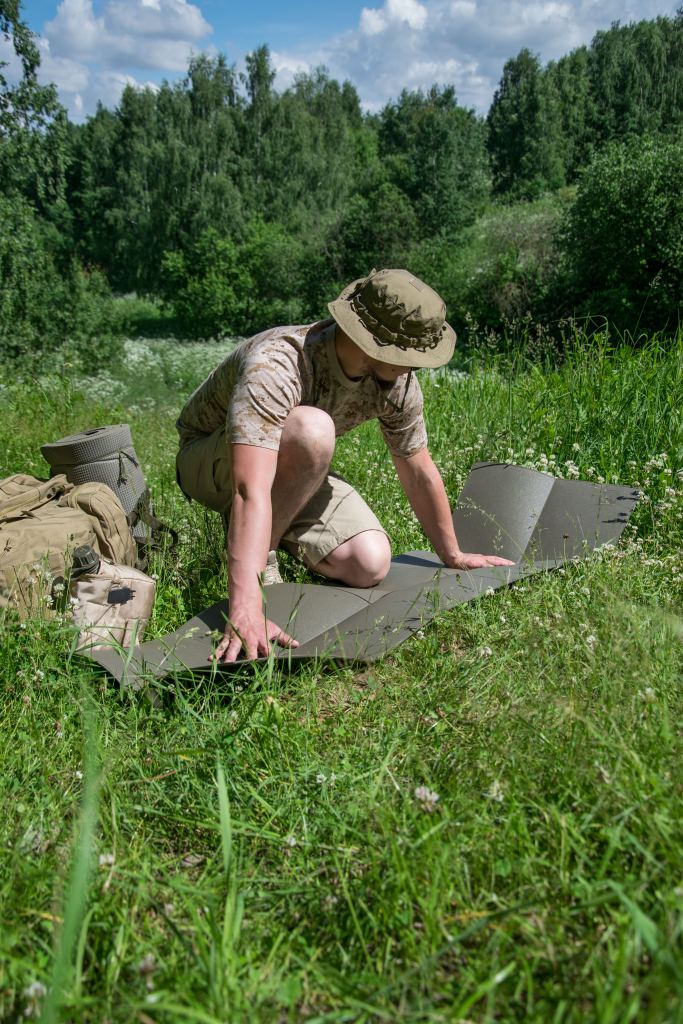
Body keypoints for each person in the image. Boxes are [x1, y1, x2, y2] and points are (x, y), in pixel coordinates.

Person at [175, 268, 513, 663]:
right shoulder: (279, 363)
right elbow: (249, 489)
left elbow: (417, 469)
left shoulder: (398, 384)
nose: (415, 368)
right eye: (410, 357)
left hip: (286, 463)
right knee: (312, 431)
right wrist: (246, 609)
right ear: (376, 346)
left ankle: (261, 535)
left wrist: (452, 554)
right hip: (211, 461)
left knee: (369, 563)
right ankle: (257, 561)